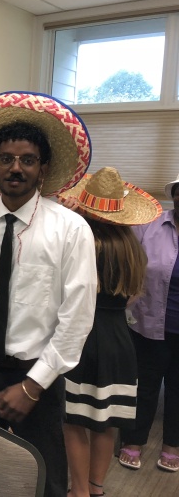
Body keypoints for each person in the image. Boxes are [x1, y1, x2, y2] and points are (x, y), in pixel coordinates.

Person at [0, 91, 97, 497]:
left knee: (44, 479)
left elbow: (77, 317)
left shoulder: (70, 230)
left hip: (39, 373)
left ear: (42, 168)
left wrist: (33, 386)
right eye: (7, 159)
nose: (16, 168)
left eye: (27, 159)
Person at [58, 167, 158, 497]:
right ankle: (97, 488)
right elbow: (132, 296)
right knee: (105, 422)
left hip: (83, 337)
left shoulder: (82, 241)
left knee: (74, 420)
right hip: (119, 337)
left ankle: (79, 491)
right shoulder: (132, 247)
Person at [119, 172, 179, 474]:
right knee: (144, 387)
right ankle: (133, 440)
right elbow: (128, 264)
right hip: (149, 323)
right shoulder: (150, 226)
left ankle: (172, 445)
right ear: (174, 195)